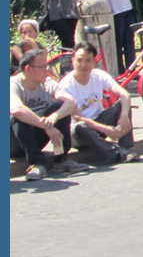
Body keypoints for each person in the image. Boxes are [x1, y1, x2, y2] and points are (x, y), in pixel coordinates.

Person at [10, 49, 88, 180]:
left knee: (59, 107)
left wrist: (55, 116)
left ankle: (61, 159)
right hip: (13, 142)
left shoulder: (47, 83)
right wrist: (46, 126)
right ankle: (36, 164)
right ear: (28, 69)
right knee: (19, 116)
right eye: (42, 67)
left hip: (35, 138)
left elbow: (71, 103)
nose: (47, 70)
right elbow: (16, 109)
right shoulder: (13, 84)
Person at [58, 41, 139, 164]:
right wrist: (105, 129)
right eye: (79, 60)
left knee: (123, 104)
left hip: (99, 123)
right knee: (80, 127)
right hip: (79, 133)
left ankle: (126, 148)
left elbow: (124, 94)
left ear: (94, 62)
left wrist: (123, 117)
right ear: (73, 61)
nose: (83, 65)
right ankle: (117, 153)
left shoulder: (99, 75)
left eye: (88, 60)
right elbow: (79, 118)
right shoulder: (66, 84)